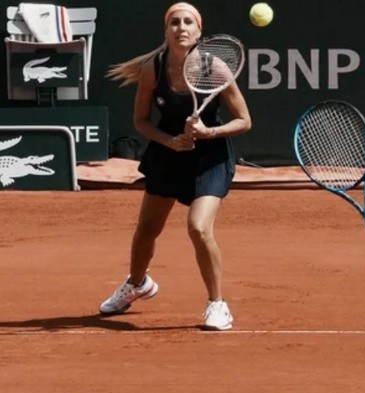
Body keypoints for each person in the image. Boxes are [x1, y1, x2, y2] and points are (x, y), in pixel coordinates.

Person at [101, 2, 252, 330]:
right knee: (146, 231)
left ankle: (217, 304)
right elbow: (141, 121)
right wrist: (170, 141)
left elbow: (244, 121)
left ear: (199, 32)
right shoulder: (152, 69)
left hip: (210, 159)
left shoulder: (216, 69)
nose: (181, 27)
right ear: (166, 31)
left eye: (187, 22)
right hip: (168, 156)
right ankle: (138, 283)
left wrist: (208, 132)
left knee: (198, 227)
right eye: (174, 22)